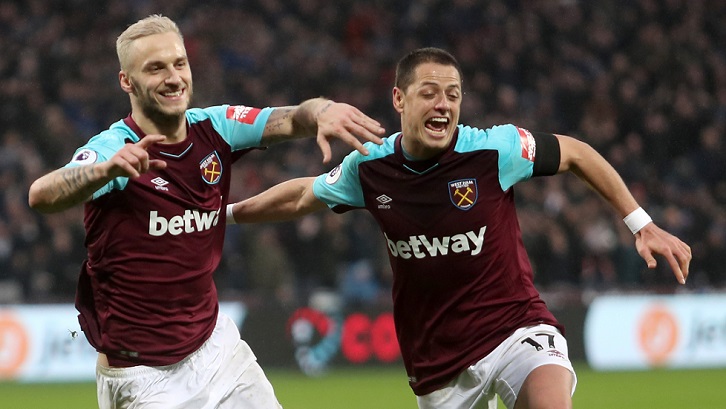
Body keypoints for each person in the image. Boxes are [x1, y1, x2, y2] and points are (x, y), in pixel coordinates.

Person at [227, 47, 692, 409]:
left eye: (453, 94)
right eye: (429, 92)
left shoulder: (493, 150)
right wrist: (224, 215)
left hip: (515, 328)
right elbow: (303, 195)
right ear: (399, 98)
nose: (444, 104)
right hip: (437, 358)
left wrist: (641, 223)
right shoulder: (369, 168)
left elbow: (575, 153)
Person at [27, 14, 384, 409]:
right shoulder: (115, 147)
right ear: (126, 81)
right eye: (155, 68)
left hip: (216, 349)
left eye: (179, 63)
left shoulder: (215, 127)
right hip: (144, 375)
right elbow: (41, 195)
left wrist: (322, 110)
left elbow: (290, 117)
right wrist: (105, 170)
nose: (173, 77)